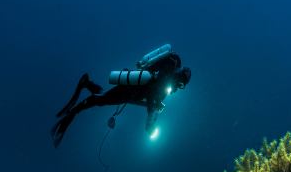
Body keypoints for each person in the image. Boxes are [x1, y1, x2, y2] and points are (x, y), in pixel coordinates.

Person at [52, 44, 191, 146]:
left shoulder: (167, 74)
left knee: (103, 99)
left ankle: (87, 84)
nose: (176, 89)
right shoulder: (167, 73)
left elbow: (153, 93)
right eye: (180, 85)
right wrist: (149, 122)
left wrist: (156, 104)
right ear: (180, 79)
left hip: (132, 90)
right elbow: (151, 92)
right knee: (102, 100)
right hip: (131, 89)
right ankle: (74, 109)